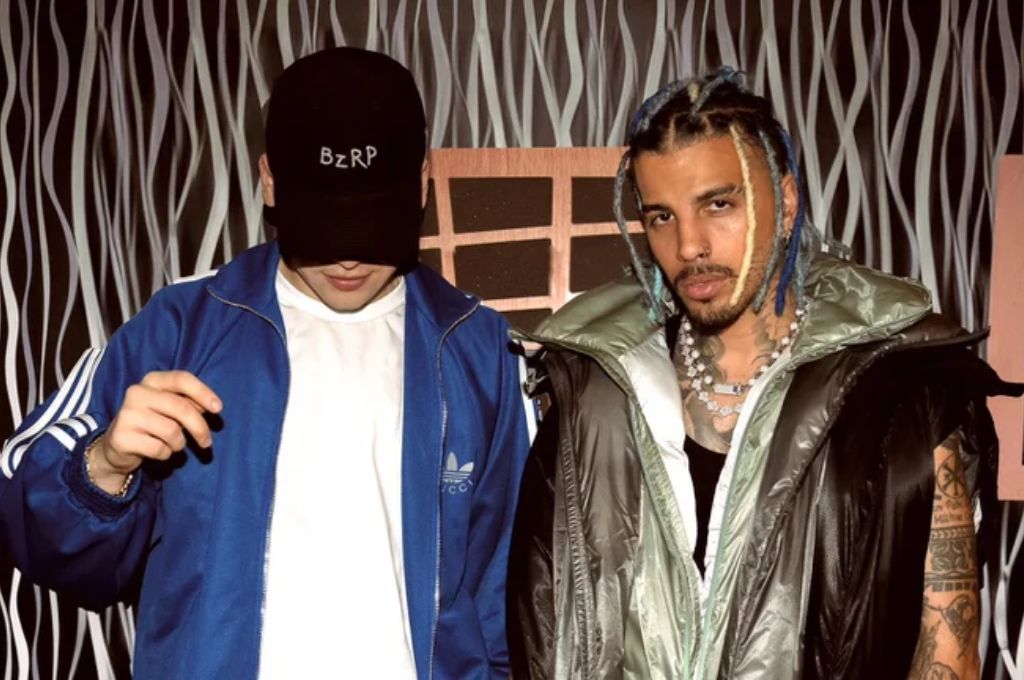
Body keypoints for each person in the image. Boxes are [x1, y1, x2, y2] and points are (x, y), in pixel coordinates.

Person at [0, 47, 531, 679]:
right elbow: (39, 534)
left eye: (371, 223)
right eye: (324, 225)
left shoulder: (480, 349)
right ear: (269, 180)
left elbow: (512, 598)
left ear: (421, 183)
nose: (348, 258)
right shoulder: (181, 327)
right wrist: (105, 466)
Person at [507, 67, 1020, 679]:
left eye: (717, 204)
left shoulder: (902, 393)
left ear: (786, 202)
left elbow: (947, 651)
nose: (689, 245)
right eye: (662, 217)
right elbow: (545, 624)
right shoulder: (594, 389)